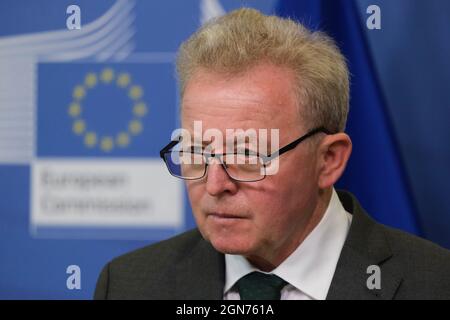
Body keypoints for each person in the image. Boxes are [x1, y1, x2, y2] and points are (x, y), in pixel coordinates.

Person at [94, 8, 450, 300]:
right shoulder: (129, 285)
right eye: (197, 152)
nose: (215, 185)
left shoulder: (434, 285)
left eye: (247, 155)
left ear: (328, 161)